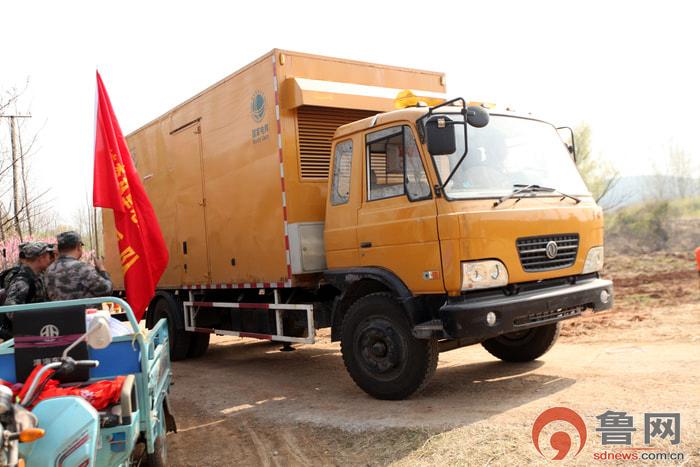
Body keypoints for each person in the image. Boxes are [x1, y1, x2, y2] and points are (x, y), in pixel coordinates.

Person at [45, 231, 113, 301]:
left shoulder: (49, 270)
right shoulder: (82, 268)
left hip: (58, 312)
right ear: (78, 247)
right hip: (83, 311)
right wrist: (101, 268)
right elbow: (107, 290)